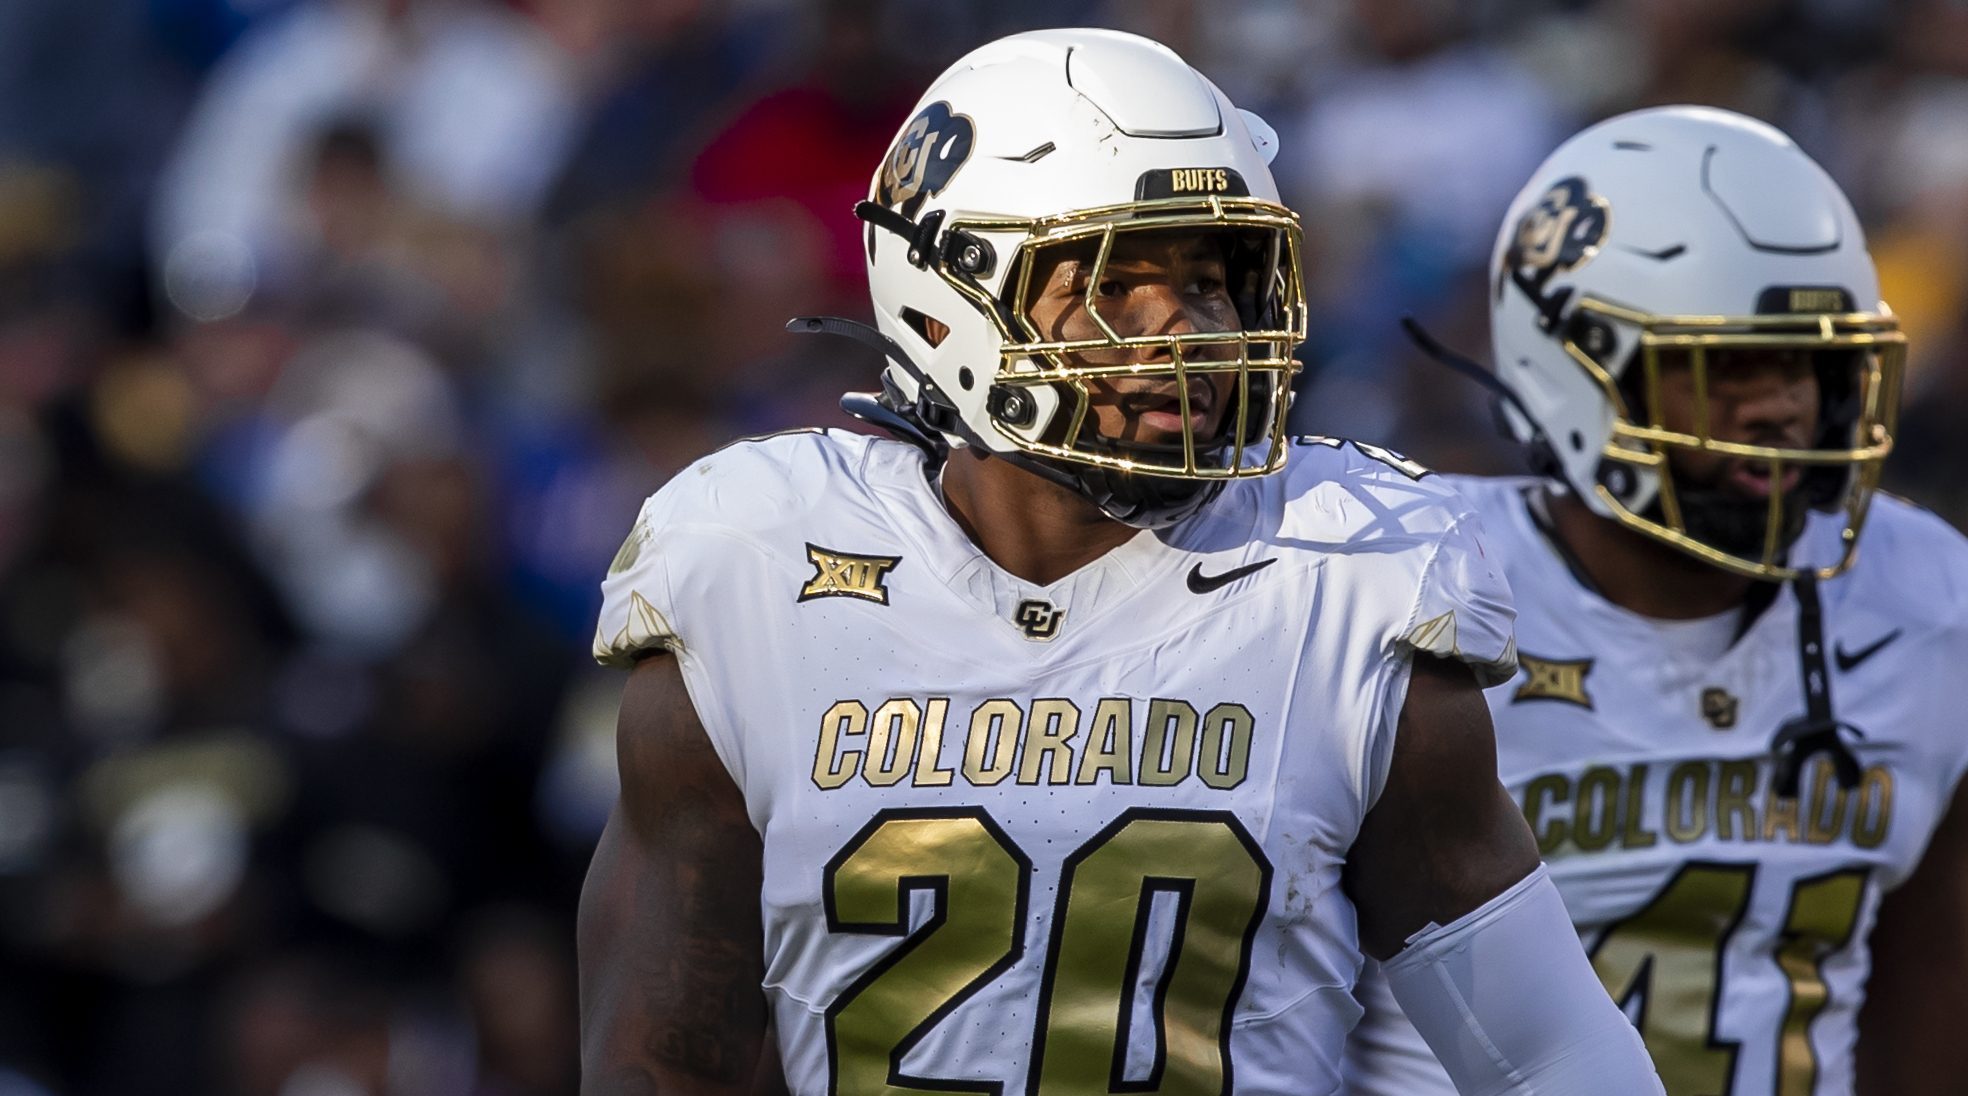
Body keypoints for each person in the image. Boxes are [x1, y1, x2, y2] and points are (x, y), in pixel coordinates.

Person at [577, 28, 1663, 1096]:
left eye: (1211, 279)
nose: (1184, 331)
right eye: (1115, 281)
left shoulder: (1340, 579)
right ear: (948, 294)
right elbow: (659, 1065)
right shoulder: (761, 576)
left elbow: (1549, 1056)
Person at [1343, 106, 1968, 1096]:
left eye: (1812, 359)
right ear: (1576, 368)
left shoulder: (1926, 592)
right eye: (1728, 364)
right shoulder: (1407, 584)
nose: (1784, 405)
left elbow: (1933, 974)